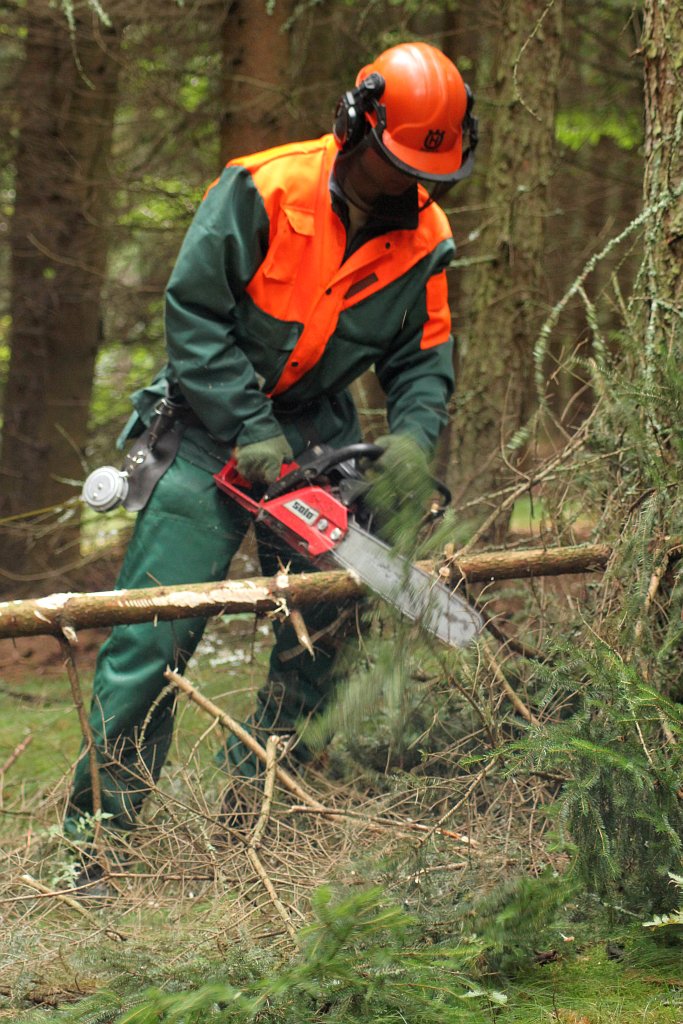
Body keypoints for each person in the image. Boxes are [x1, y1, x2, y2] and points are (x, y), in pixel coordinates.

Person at [66, 41, 478, 854]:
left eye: (427, 171)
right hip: (206, 427)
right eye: (398, 163)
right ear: (357, 126)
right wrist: (246, 423)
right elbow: (193, 312)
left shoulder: (425, 236)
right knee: (152, 637)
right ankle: (98, 839)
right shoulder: (264, 187)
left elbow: (423, 358)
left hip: (319, 434)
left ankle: (262, 811)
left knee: (322, 636)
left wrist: (412, 439)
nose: (412, 184)